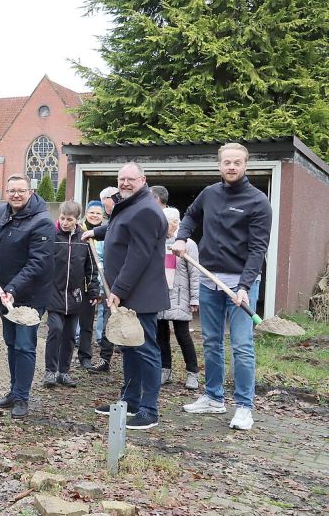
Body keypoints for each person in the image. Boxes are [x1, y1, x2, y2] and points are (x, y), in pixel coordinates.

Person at [175, 142, 272, 431]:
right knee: (212, 342)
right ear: (219, 165)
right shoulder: (210, 194)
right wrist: (181, 236)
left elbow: (258, 249)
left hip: (241, 283)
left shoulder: (258, 202)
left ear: (245, 165)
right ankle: (214, 398)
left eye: (237, 162)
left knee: (242, 345)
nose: (231, 167)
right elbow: (191, 215)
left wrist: (244, 285)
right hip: (208, 280)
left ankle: (244, 407)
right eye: (226, 162)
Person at [83, 162, 170, 430]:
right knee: (129, 347)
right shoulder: (131, 204)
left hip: (139, 293)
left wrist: (118, 290)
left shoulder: (145, 210)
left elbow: (139, 255)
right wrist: (95, 231)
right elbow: (118, 228)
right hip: (129, 291)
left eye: (130, 179)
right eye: (121, 179)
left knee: (145, 349)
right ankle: (130, 401)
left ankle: (149, 410)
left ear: (143, 180)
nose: (124, 183)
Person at [0, 174, 54, 419]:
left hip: (30, 296)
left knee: (24, 345)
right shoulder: (3, 211)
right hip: (4, 293)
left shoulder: (42, 222)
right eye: (12, 190)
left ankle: (22, 398)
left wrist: (12, 288)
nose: (16, 195)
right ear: (6, 192)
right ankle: (14, 391)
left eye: (21, 190)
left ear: (30, 193)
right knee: (11, 343)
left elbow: (38, 263)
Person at [43, 200, 100, 389]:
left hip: (75, 295)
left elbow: (91, 268)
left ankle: (63, 372)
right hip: (54, 292)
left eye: (70, 219)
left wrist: (93, 290)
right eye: (62, 218)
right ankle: (50, 370)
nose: (65, 222)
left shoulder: (83, 239)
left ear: (77, 220)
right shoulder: (52, 236)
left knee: (69, 335)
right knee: (55, 329)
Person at [158, 206, 200, 390]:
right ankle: (164, 370)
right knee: (161, 336)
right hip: (159, 296)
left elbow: (195, 273)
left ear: (176, 223)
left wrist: (194, 298)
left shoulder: (188, 244)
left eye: (165, 223)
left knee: (183, 336)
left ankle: (193, 373)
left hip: (180, 297)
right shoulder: (157, 241)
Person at [87, 186, 119, 373]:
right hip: (109, 279)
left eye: (106, 204)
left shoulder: (123, 214)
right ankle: (105, 359)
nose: (105, 208)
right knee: (108, 317)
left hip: (125, 278)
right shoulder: (113, 218)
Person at [77, 199, 106, 369]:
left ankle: (85, 356)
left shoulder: (106, 233)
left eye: (98, 213)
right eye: (92, 212)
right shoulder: (79, 230)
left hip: (95, 280)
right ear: (86, 214)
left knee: (89, 321)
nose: (95, 216)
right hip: (77, 281)